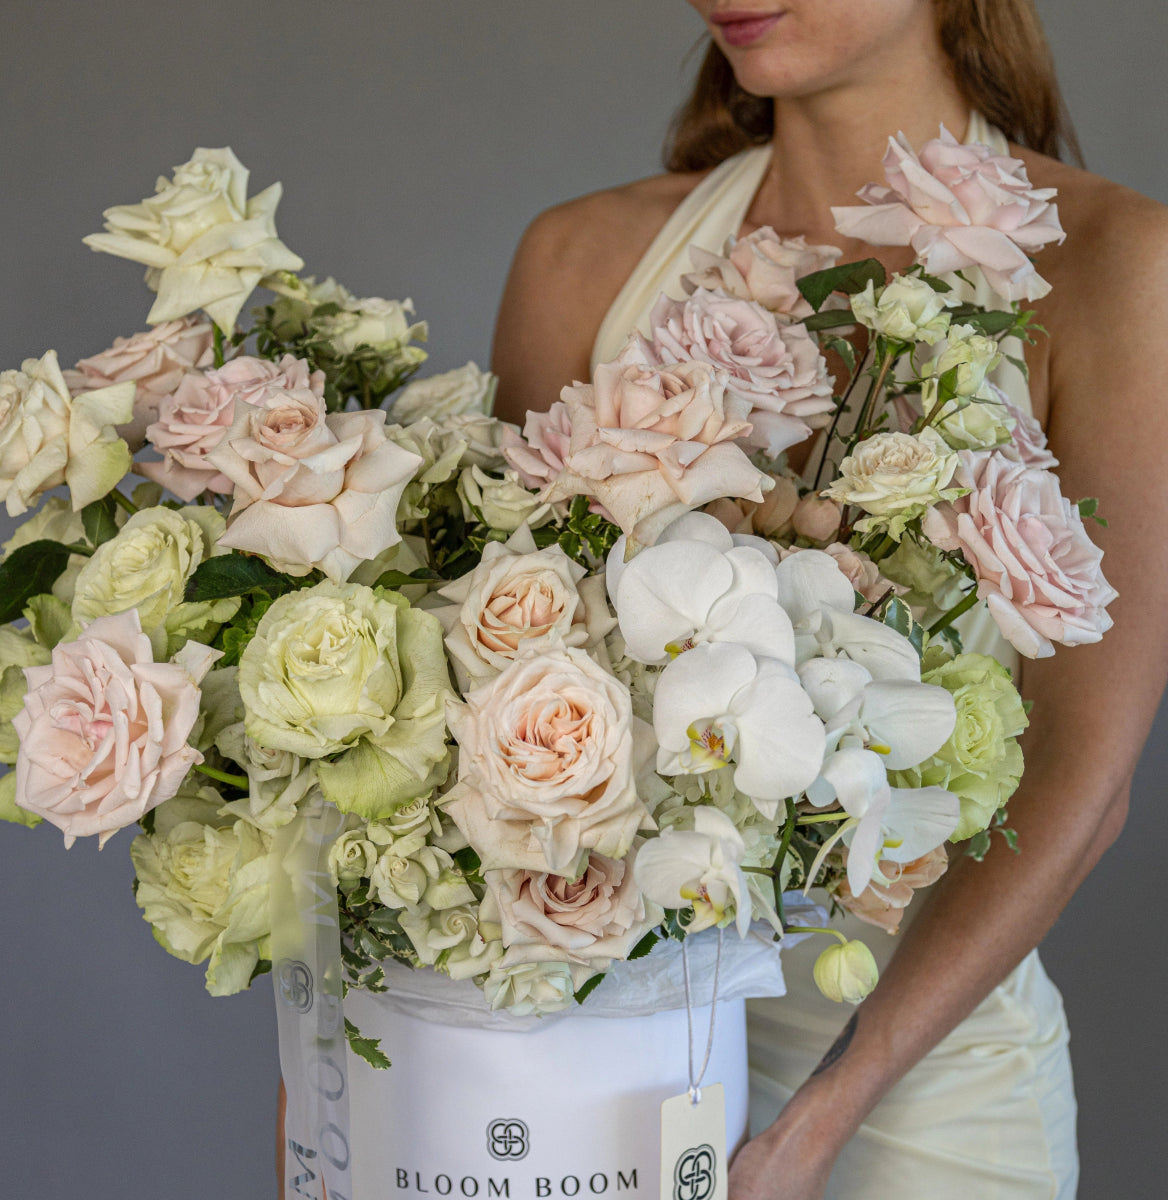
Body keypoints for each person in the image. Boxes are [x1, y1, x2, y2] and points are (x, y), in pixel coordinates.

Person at [491, 2, 1168, 1197]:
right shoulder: (579, 262)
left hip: (924, 1100)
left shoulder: (1116, 267)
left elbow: (1084, 775)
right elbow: (498, 698)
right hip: (601, 1067)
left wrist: (819, 1122)